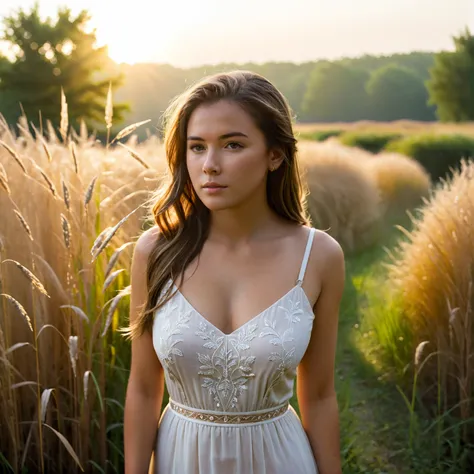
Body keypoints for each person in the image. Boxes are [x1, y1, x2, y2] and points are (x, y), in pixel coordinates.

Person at [123, 70, 345, 474]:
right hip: (181, 460)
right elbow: (141, 388)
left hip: (281, 460)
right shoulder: (156, 251)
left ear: (275, 154)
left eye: (232, 145)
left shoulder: (319, 255)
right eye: (196, 147)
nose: (209, 165)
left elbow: (320, 396)